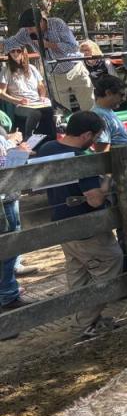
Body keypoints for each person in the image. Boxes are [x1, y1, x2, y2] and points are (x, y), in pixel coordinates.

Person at [34, 111, 123, 335]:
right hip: (87, 228)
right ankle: (83, 324)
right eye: (95, 136)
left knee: (79, 274)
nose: (96, 141)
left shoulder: (47, 149)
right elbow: (94, 200)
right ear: (85, 135)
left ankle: (88, 321)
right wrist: (107, 180)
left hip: (61, 223)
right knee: (110, 264)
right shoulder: (81, 158)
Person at [15, 8, 94, 111]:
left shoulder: (57, 24)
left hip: (75, 71)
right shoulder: (26, 32)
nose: (28, 31)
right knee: (63, 111)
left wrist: (50, 45)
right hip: (56, 75)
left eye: (30, 28)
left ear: (41, 22)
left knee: (89, 108)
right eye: (27, 28)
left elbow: (73, 46)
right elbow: (11, 42)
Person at [0, 132, 30, 324]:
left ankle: (8, 289)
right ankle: (7, 294)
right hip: (3, 198)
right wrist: (16, 152)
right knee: (7, 246)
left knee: (11, 244)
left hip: (8, 195)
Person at [0, 40, 55, 138]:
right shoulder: (6, 70)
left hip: (37, 101)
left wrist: (42, 96)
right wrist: (17, 101)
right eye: (13, 51)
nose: (16, 53)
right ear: (9, 53)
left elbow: (41, 87)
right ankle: (29, 139)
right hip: (20, 105)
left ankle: (50, 139)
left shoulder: (32, 68)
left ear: (23, 52)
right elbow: (1, 93)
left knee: (50, 110)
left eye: (18, 51)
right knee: (37, 113)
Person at [90, 75, 127, 153]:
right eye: (121, 95)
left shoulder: (107, 111)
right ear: (108, 93)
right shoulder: (100, 116)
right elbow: (102, 152)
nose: (124, 99)